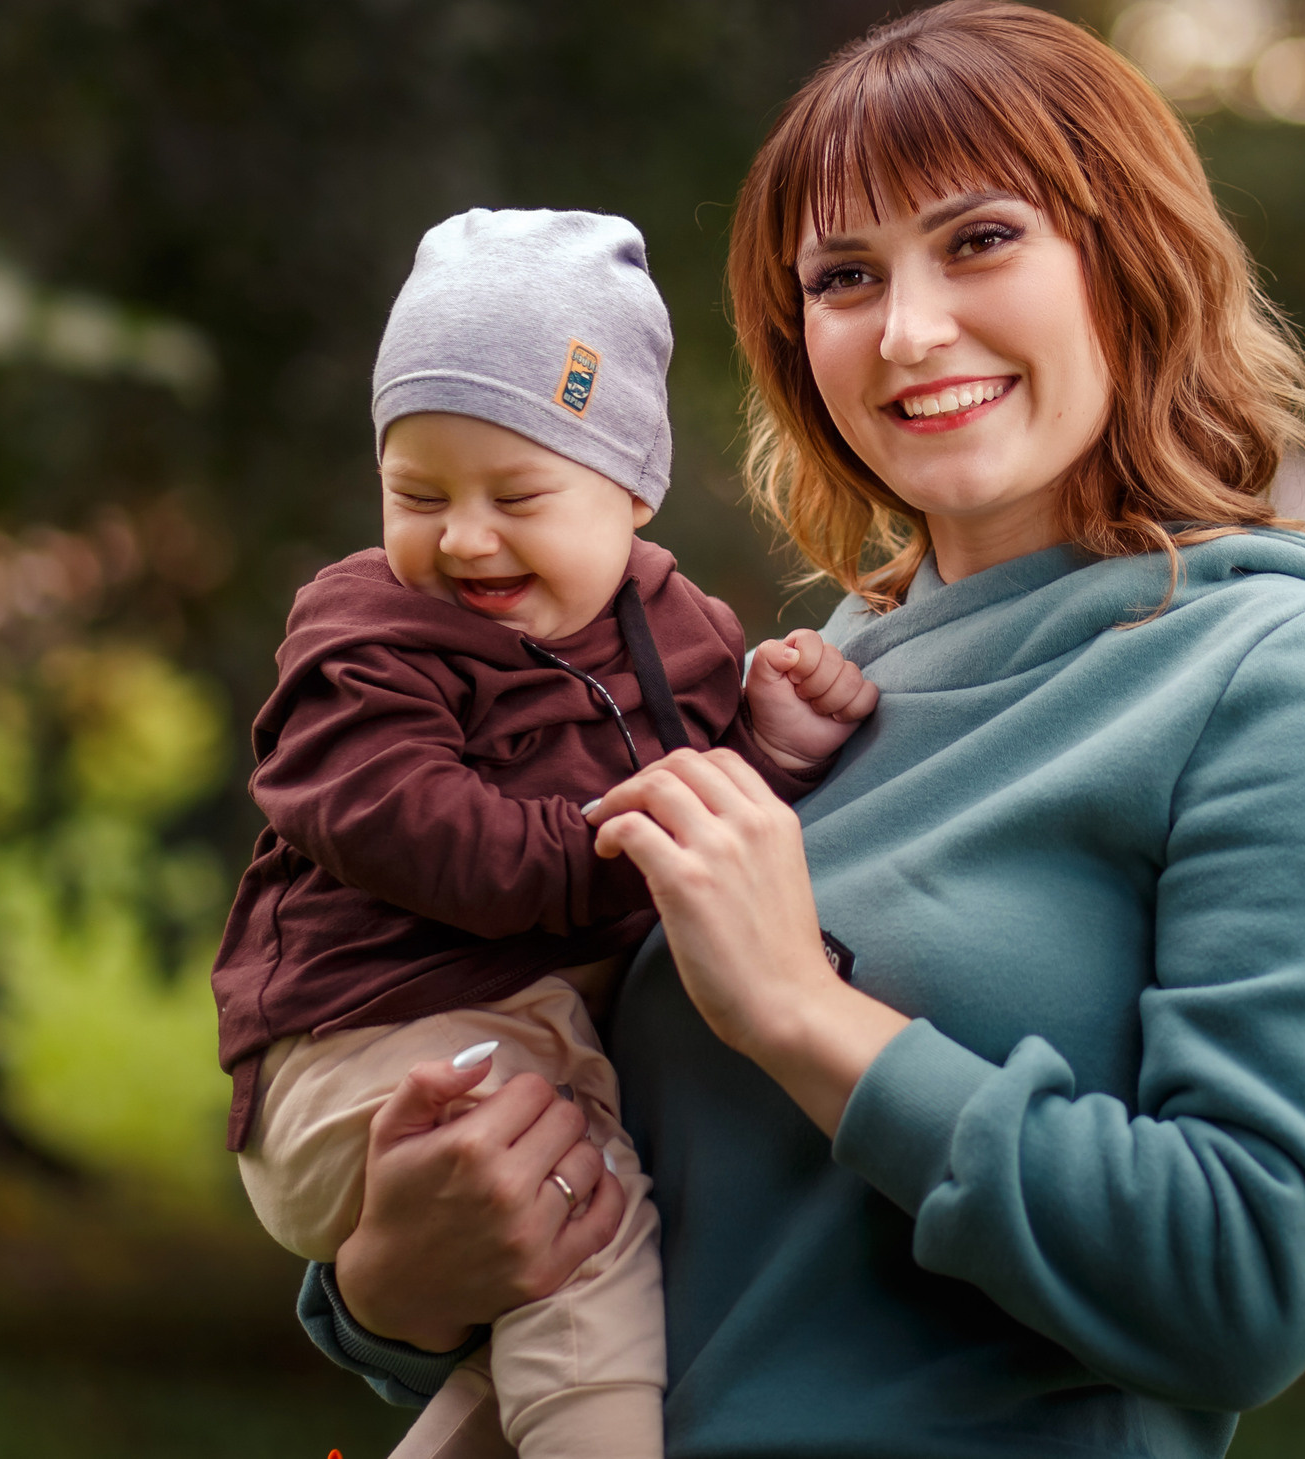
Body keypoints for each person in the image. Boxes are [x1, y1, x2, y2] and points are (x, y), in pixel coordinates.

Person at [300, 0, 1305, 1459]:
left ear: (1130, 260)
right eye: (846, 274)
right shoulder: (825, 675)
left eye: (981, 239)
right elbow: (700, 1243)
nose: (910, 330)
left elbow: (1247, 1278)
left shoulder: (1291, 675)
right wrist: (383, 1289)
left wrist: (806, 1010)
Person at [213, 207, 878, 1459]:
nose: (463, 537)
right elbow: (406, 824)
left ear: (631, 488)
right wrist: (637, 852)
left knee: (568, 1286)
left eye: (516, 492)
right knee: (593, 1221)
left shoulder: (680, 634)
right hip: (368, 1045)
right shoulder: (364, 638)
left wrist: (767, 753)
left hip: (515, 1027)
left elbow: (708, 796)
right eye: (417, 493)